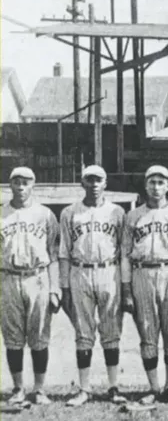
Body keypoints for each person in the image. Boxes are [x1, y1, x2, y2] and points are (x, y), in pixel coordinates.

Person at [120, 165, 168, 404]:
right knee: (147, 334)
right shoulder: (133, 216)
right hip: (142, 274)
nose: (156, 187)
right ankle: (153, 387)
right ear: (145, 185)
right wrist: (127, 289)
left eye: (161, 182)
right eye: (152, 182)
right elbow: (125, 256)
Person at [60, 165, 127, 407]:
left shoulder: (117, 212)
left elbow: (125, 252)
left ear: (106, 183)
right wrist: (64, 286)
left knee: (111, 332)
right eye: (90, 180)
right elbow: (64, 252)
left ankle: (113, 387)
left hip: (109, 270)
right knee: (83, 334)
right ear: (82, 183)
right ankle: (84, 388)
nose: (94, 184)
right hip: (80, 271)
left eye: (99, 180)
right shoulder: (69, 213)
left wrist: (125, 284)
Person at [1, 167, 60, 405]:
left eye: (25, 182)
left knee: (39, 336)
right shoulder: (2, 214)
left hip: (38, 277)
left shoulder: (45, 214)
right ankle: (18, 388)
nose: (21, 187)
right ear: (10, 185)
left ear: (33, 184)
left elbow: (54, 255)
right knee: (12, 337)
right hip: (8, 277)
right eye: (16, 182)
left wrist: (55, 288)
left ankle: (39, 389)